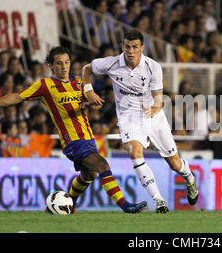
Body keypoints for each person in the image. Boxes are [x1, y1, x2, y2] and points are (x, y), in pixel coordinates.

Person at [0, 46, 148, 214]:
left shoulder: (79, 83)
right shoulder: (45, 85)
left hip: (89, 138)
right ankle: (126, 206)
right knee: (102, 165)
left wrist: (91, 105)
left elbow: (87, 105)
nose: (64, 67)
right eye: (59, 63)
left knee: (89, 174)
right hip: (72, 141)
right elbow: (18, 97)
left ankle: (68, 203)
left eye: (67, 62)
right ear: (51, 66)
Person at [81, 29, 198, 213]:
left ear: (142, 48)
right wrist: (89, 91)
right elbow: (87, 69)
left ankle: (189, 178)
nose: (131, 51)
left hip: (154, 116)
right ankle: (158, 200)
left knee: (174, 163)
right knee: (135, 152)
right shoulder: (112, 63)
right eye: (127, 46)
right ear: (123, 46)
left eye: (135, 47)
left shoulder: (153, 67)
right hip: (129, 117)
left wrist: (153, 109)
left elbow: (158, 100)